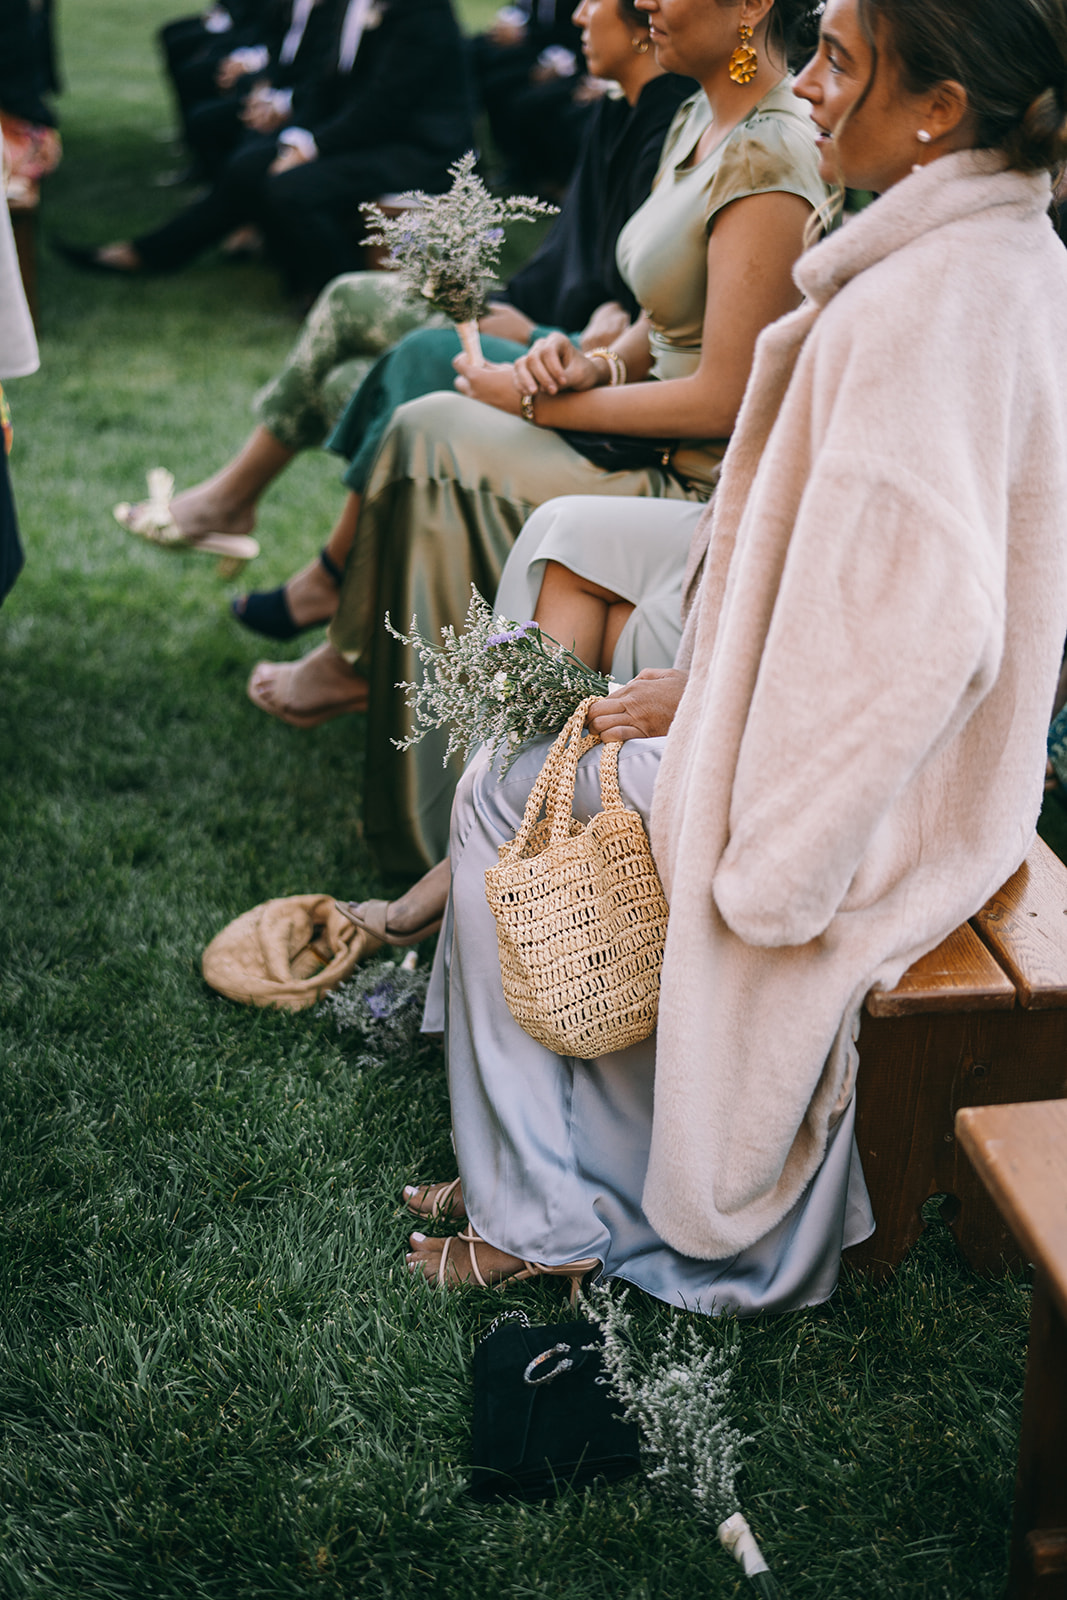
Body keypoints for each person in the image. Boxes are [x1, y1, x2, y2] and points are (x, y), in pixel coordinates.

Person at [401, 0, 1067, 1311]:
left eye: (837, 59)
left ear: (937, 110)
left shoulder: (919, 307)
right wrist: (699, 690)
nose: (805, 87)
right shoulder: (995, 249)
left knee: (508, 793)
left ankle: (542, 1213)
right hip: (906, 766)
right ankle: (553, 1151)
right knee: (555, 756)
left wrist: (732, 782)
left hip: (851, 808)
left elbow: (919, 642)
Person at [248, 0, 828, 877]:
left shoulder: (773, 151)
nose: (641, 5)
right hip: (627, 430)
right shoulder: (691, 120)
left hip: (691, 481)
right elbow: (657, 320)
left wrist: (541, 408)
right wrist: (590, 362)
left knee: (433, 435)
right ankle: (436, 779)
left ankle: (444, 816)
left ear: (749, 6)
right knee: (427, 420)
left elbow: (723, 399)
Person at [112, 0, 695, 621]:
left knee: (355, 312)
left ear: (643, 24)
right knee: (344, 360)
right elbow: (568, 260)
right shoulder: (619, 107)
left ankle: (305, 559)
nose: (576, 13)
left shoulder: (668, 122)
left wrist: (547, 332)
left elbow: (635, 304)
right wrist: (510, 304)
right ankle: (313, 571)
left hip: (570, 358)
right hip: (542, 326)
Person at [56, 0, 473, 301]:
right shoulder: (349, 6)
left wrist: (310, 146)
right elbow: (331, 87)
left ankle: (343, 293)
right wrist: (296, 136)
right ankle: (154, 253)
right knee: (250, 164)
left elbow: (384, 105)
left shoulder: (422, 11)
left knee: (289, 188)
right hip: (363, 135)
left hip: (418, 151)